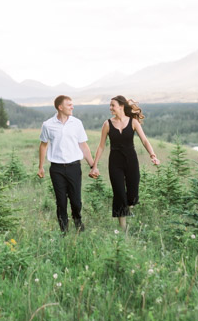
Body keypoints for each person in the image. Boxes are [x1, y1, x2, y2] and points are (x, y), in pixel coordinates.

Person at [89, 95, 160, 231]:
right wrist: (95, 166)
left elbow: (144, 140)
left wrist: (153, 155)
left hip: (131, 161)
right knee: (119, 194)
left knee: (132, 195)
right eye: (110, 105)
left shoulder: (133, 122)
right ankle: (123, 230)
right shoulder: (107, 124)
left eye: (112, 105)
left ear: (121, 106)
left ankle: (127, 208)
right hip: (115, 163)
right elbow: (101, 146)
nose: (110, 108)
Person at [38, 95, 98, 233]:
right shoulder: (48, 124)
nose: (72, 107)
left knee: (76, 201)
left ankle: (77, 221)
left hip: (74, 167)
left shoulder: (77, 123)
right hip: (57, 169)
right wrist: (40, 167)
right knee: (61, 202)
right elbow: (43, 145)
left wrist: (92, 166)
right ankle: (64, 231)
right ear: (60, 107)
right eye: (69, 104)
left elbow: (83, 146)